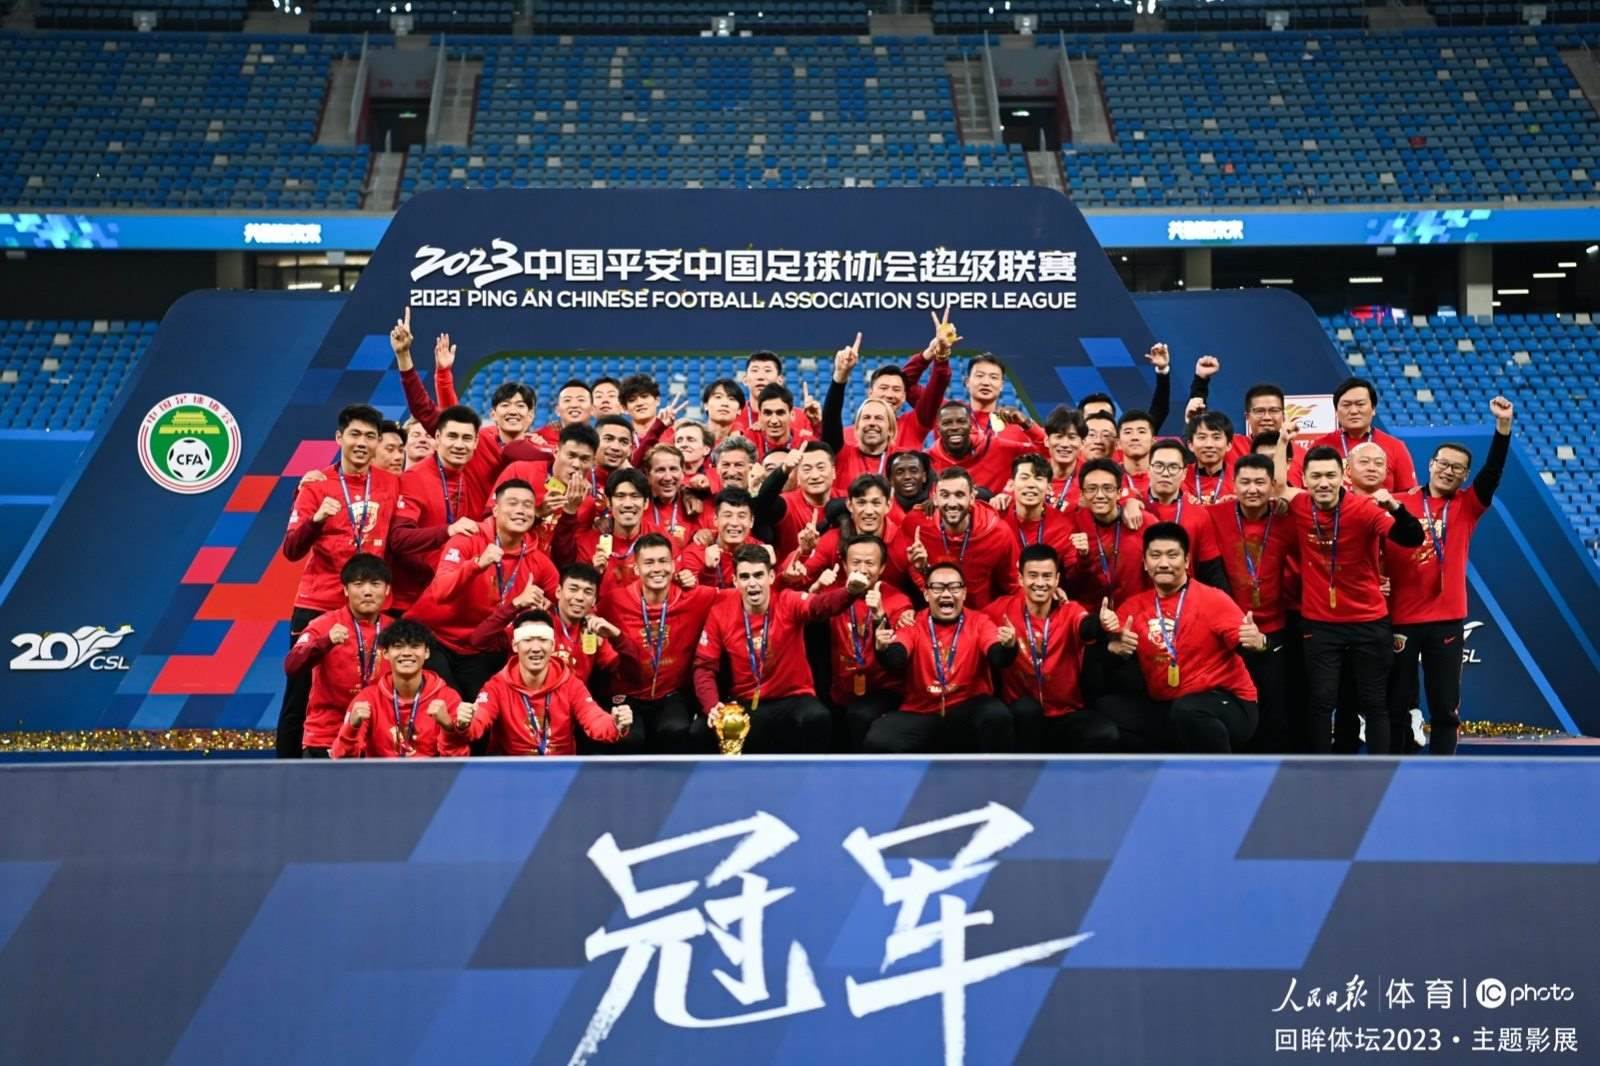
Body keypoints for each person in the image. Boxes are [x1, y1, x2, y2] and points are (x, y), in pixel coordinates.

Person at [1386, 397, 1514, 755]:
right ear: (1430, 464)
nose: (1448, 471)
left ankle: (1443, 770)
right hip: (1402, 617)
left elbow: (1493, 473)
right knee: (1397, 703)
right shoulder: (1398, 502)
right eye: (1443, 463)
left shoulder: (1467, 506)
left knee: (1445, 707)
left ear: (1464, 477)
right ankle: (1398, 767)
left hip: (1446, 619)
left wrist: (1503, 427)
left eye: (1457, 468)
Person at [278, 403, 404, 758]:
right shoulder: (316, 485)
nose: (361, 443)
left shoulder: (391, 483)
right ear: (339, 437)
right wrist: (316, 520)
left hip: (370, 607)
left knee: (375, 691)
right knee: (299, 696)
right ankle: (285, 775)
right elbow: (291, 550)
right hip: (319, 604)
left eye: (370, 436)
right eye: (354, 434)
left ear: (378, 442)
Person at [1290, 446, 1425, 754]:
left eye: (1330, 475)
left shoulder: (1365, 509)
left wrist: (1395, 507)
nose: (1324, 482)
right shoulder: (1298, 506)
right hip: (1320, 625)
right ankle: (1320, 771)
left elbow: (1413, 538)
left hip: (1368, 622)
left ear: (1343, 477)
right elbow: (1274, 488)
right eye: (1316, 476)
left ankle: (1379, 771)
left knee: (1374, 702)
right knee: (1321, 702)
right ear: (1305, 480)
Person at [1108, 523, 1266, 753]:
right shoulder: (1133, 607)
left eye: (1172, 555)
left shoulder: (1213, 599)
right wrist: (1113, 648)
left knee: (1188, 709)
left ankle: (1221, 773)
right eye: (1155, 556)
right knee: (1107, 711)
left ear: (1187, 561)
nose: (1163, 563)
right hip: (1169, 702)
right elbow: (1113, 646)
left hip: (1228, 702)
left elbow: (1251, 645)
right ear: (1145, 563)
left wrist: (1259, 642)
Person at [694, 544, 868, 753]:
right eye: (745, 577)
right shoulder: (720, 611)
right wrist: (712, 705)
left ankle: (809, 774)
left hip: (793, 698)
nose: (752, 583)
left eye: (758, 575)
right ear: (735, 581)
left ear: (771, 577)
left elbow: (820, 606)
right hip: (747, 701)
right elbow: (704, 666)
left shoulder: (787, 600)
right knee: (700, 731)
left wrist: (849, 593)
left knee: (816, 717)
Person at [405, 479, 560, 700]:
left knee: (480, 708)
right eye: (512, 503)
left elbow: (563, 597)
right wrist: (477, 564)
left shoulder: (538, 560)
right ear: (495, 510)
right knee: (450, 703)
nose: (520, 510)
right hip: (433, 638)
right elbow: (440, 592)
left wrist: (569, 612)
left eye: (527, 505)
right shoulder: (468, 538)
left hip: (478, 647)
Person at [868, 561, 1020, 752]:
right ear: (926, 594)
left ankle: (995, 772)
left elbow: (998, 656)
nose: (946, 594)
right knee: (878, 738)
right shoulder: (913, 623)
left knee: (996, 715)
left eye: (954, 587)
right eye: (938, 587)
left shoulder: (979, 622)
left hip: (965, 711)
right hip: (922, 713)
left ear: (964, 593)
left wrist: (1009, 647)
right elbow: (895, 659)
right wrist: (883, 647)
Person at [438, 610, 633, 756]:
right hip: (510, 774)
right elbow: (478, 722)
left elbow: (595, 720)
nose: (536, 648)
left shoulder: (571, 684)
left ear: (552, 645)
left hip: (560, 773)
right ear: (515, 645)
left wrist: (616, 725)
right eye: (528, 640)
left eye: (542, 640)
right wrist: (464, 723)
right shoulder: (497, 685)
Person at [986, 545, 1118, 753]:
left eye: (1047, 576)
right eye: (1033, 576)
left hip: (1066, 713)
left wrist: (1101, 623)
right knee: (1026, 710)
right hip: (1024, 716)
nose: (1040, 583)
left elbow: (1086, 627)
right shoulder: (1001, 609)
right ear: (1020, 579)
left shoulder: (1070, 610)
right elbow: (971, 622)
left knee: (1105, 733)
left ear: (1057, 580)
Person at [1203, 454, 1294, 751]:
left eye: (1259, 482)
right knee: (1237, 705)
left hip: (1277, 628)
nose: (1252, 489)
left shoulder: (1286, 516)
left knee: (1275, 706)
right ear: (1233, 484)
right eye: (1245, 482)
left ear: (1272, 485)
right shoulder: (1213, 514)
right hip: (1230, 630)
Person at [600, 533, 720, 753]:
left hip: (672, 695)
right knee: (629, 738)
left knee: (675, 730)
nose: (657, 568)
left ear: (673, 566)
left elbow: (738, 597)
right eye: (649, 562)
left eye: (663, 561)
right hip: (627, 694)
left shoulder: (694, 597)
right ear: (636, 569)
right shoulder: (613, 602)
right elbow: (584, 621)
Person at [283, 553, 393, 758]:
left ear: (387, 590)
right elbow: (292, 666)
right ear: (345, 589)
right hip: (326, 738)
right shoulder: (323, 625)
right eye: (358, 584)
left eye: (375, 584)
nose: (367, 592)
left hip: (378, 742)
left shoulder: (395, 631)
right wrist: (324, 643)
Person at [388, 404, 487, 614]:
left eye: (466, 438)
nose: (459, 445)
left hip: (451, 597)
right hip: (409, 602)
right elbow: (398, 538)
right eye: (452, 436)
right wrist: (448, 530)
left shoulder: (470, 475)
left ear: (476, 442)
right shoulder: (414, 478)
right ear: (438, 437)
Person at [825, 534, 916, 749]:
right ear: (845, 565)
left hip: (884, 692)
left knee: (860, 715)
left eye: (870, 563)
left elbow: (897, 657)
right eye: (856, 562)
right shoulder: (831, 596)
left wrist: (879, 617)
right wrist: (813, 587)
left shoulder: (898, 601)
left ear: (882, 567)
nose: (862, 569)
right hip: (840, 692)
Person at [332, 619, 460, 759]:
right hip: (381, 773)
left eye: (415, 646)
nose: (406, 653)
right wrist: (352, 728)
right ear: (385, 653)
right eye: (398, 646)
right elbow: (340, 759)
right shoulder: (368, 699)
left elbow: (459, 761)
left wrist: (448, 728)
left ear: (427, 652)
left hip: (430, 773)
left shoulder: (448, 698)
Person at [893, 467, 1019, 608]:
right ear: (935, 498)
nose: (952, 503)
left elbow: (1013, 586)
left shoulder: (998, 533)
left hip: (982, 616)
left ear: (972, 498)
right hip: (933, 613)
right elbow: (900, 576)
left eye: (959, 495)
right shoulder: (916, 524)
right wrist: (922, 569)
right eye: (945, 495)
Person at [1065, 459, 1147, 608]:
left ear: (1119, 493)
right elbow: (1070, 582)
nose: (1100, 495)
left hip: (1136, 612)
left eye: (1107, 488)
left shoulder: (1143, 522)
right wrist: (1083, 557)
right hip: (1090, 614)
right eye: (1092, 489)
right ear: (1082, 494)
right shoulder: (1072, 522)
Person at [1313, 377, 1418, 491]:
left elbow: (1409, 495)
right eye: (1346, 405)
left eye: (1360, 404)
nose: (1353, 411)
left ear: (1373, 409)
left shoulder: (1395, 447)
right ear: (1336, 412)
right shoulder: (1319, 446)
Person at [927, 400, 1045, 495]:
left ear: (971, 425)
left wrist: (1026, 423)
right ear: (938, 429)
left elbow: (1047, 452)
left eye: (961, 421)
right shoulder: (928, 461)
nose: (954, 427)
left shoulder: (997, 447)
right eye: (947, 423)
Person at [753, 440, 837, 562]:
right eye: (807, 469)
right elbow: (762, 505)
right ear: (797, 476)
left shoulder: (847, 500)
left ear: (834, 472)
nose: (815, 475)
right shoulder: (785, 504)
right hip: (790, 571)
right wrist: (784, 469)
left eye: (821, 468)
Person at [678, 488, 763, 589]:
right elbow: (694, 596)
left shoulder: (760, 551)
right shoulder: (695, 553)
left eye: (741, 516)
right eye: (727, 515)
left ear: (751, 521)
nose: (734, 523)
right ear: (715, 520)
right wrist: (708, 570)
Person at [1001, 453, 1076, 558]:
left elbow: (1071, 566)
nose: (1031, 485)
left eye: (1038, 478)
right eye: (1024, 478)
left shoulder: (1062, 528)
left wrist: (1083, 557)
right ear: (1011, 484)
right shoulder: (998, 521)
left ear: (1049, 488)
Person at [1184, 412, 1236, 502]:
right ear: (1190, 445)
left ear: (1228, 445)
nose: (1209, 444)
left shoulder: (1240, 477)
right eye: (1202, 437)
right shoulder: (1180, 476)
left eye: (1216, 437)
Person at [1044, 406, 1090, 508]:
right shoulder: (1033, 472)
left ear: (1082, 443)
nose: (1065, 444)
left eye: (1072, 437)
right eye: (1059, 436)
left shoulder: (1091, 477)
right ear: (1046, 441)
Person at [1116, 410, 1157, 498]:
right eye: (1128, 432)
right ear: (1118, 443)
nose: (1135, 437)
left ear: (1153, 442)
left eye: (1141, 432)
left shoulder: (1167, 477)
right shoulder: (1109, 478)